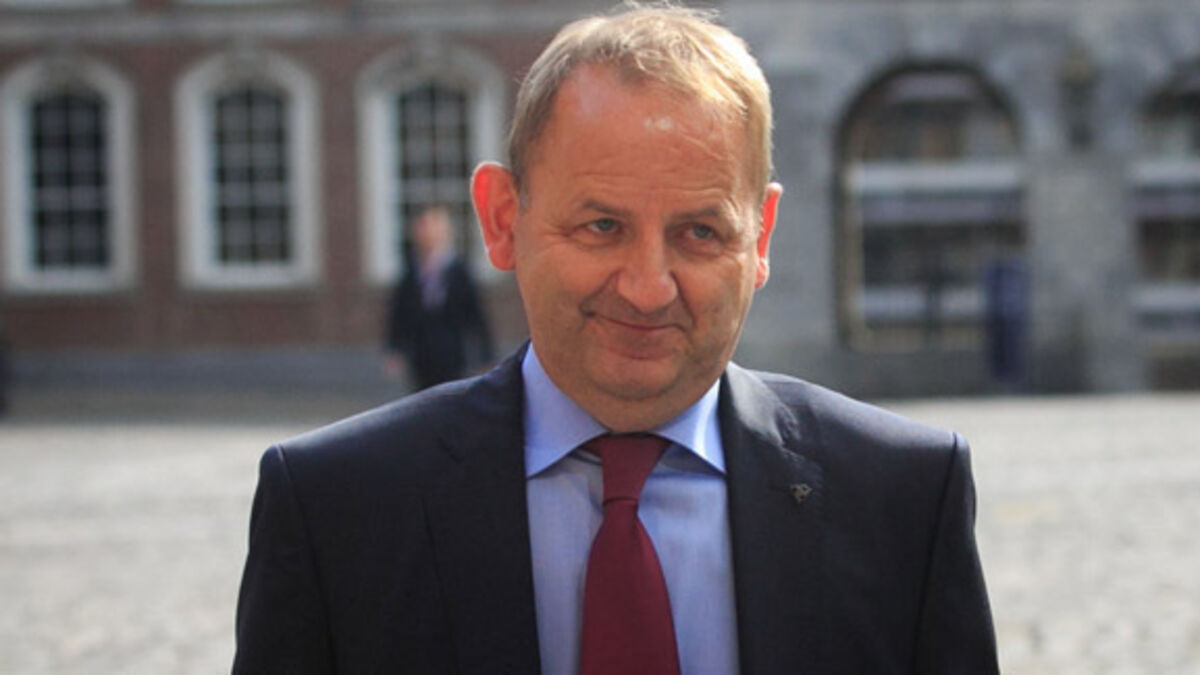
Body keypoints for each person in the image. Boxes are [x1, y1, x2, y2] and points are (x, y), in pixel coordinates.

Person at [233, 4, 999, 674]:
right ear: (502, 219)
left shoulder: (903, 499)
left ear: (760, 237)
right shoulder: (336, 510)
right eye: (602, 226)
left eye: (700, 232)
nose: (647, 286)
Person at [383, 205, 494, 390]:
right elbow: (399, 315)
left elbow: (476, 316)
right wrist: (395, 349)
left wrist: (485, 355)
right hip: (421, 356)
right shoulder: (411, 272)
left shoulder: (459, 272)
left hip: (452, 355)